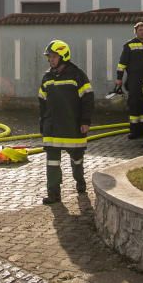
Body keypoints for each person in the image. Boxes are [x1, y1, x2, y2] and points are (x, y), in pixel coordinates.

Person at [39, 40, 94, 205]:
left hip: (73, 127)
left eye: (54, 56)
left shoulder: (77, 75)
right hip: (52, 128)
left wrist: (85, 121)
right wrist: (43, 123)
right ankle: (53, 194)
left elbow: (88, 99)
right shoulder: (47, 77)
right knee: (52, 161)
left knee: (77, 158)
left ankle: (80, 181)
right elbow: (42, 102)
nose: (51, 60)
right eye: (49, 57)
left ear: (63, 56)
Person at [114, 22, 143, 139]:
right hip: (134, 80)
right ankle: (134, 130)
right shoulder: (129, 45)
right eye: (140, 30)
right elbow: (122, 64)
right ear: (135, 32)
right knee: (134, 104)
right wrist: (119, 78)